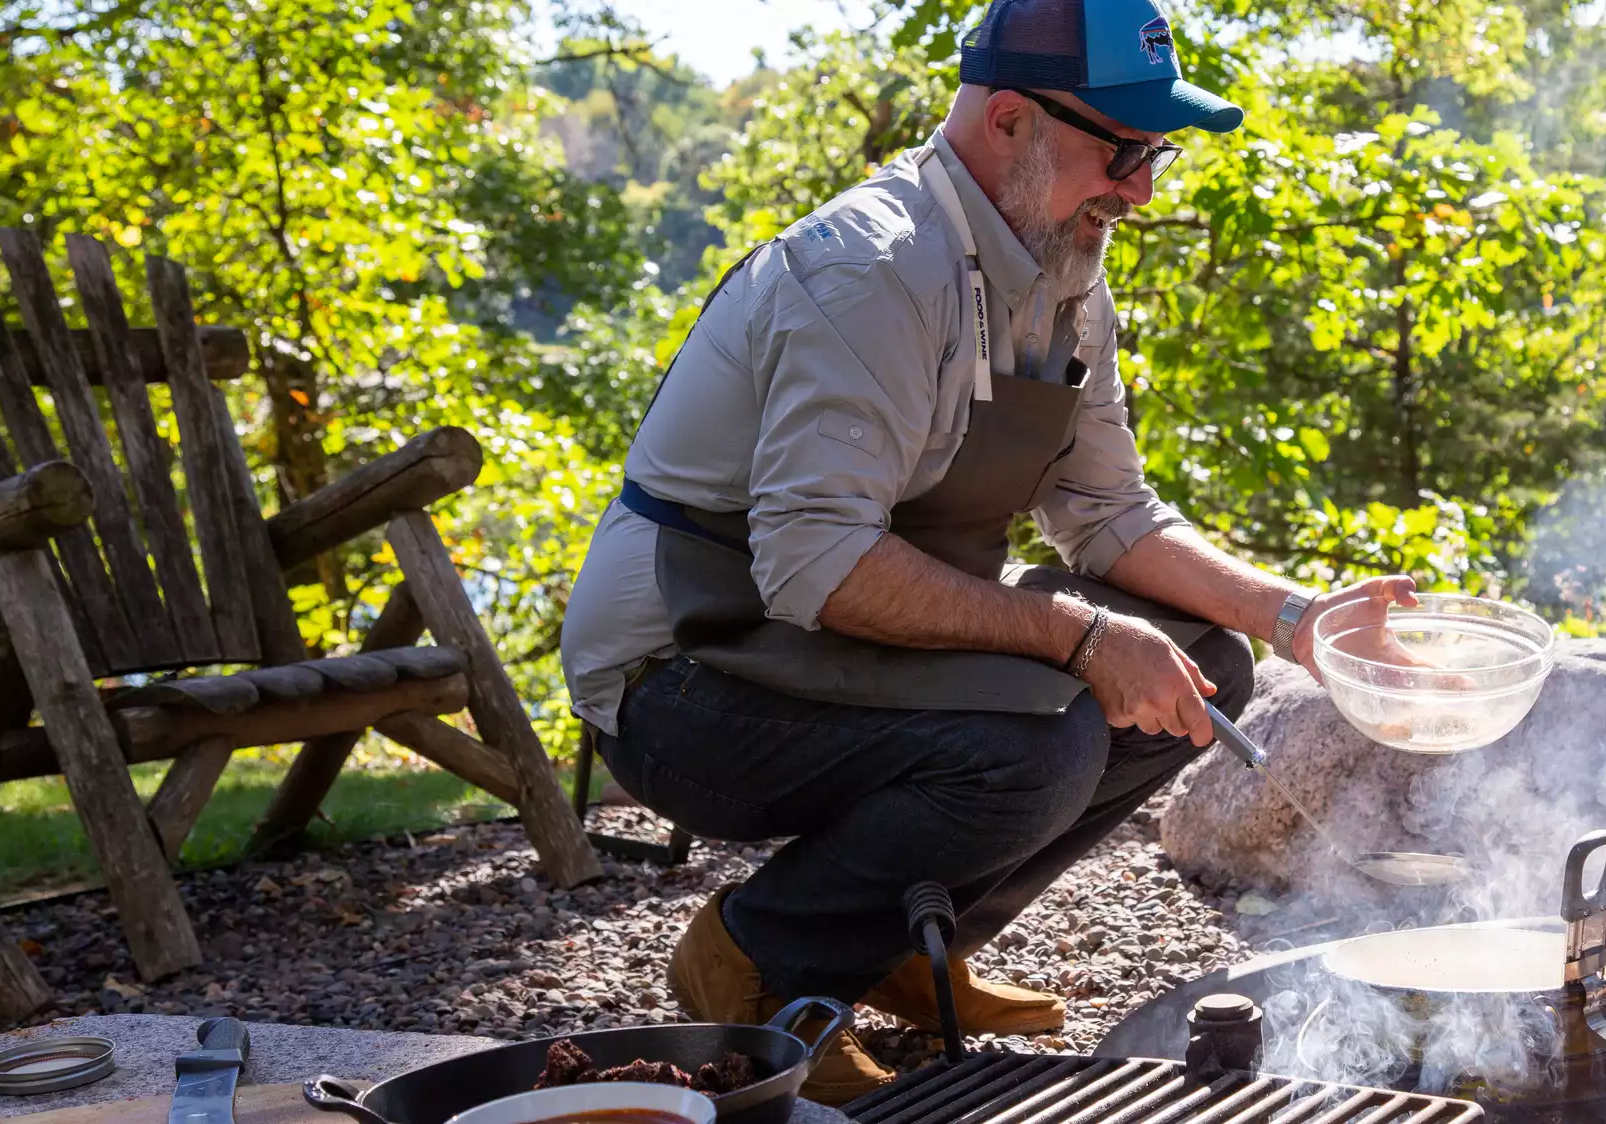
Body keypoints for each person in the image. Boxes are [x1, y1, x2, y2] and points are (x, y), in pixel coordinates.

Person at [560, 0, 1417, 1103]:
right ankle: (763, 959)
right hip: (681, 673)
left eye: (1152, 150)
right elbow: (814, 563)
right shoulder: (872, 269)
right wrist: (1078, 633)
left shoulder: (1064, 271)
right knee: (1044, 739)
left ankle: (895, 949)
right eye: (1122, 149)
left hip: (829, 638)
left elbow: (1108, 514)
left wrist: (1297, 618)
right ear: (1010, 120)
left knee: (1205, 670)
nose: (1141, 186)